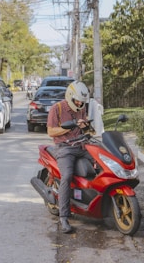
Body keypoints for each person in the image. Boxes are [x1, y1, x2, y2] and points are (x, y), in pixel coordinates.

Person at [47, 80, 94, 233]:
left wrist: (85, 126)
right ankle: (64, 217)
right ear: (70, 96)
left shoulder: (81, 108)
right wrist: (72, 124)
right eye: (78, 101)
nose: (80, 104)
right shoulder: (57, 108)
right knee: (67, 176)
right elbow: (51, 132)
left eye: (82, 102)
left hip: (81, 145)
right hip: (65, 148)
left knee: (100, 166)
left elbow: (85, 127)